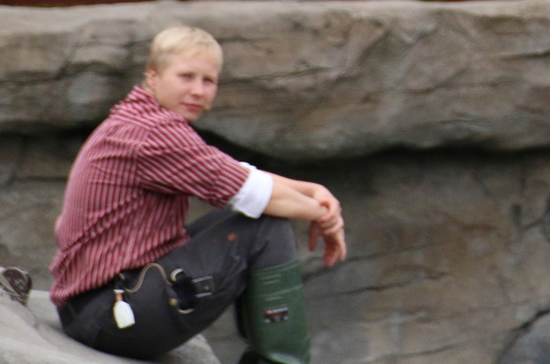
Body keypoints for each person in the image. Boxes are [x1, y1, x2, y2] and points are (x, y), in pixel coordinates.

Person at [51, 26, 344, 361]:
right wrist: (325, 216)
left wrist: (313, 191)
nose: (197, 91)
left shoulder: (136, 119)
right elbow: (253, 193)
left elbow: (234, 172)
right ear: (153, 76)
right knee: (265, 227)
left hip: (92, 307)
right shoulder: (154, 133)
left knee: (250, 220)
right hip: (111, 314)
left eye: (208, 81)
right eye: (186, 76)